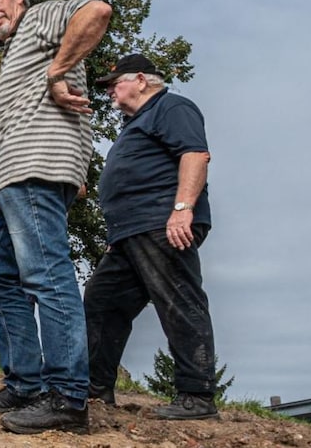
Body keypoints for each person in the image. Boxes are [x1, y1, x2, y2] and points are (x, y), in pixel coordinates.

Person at [0, 0, 112, 434]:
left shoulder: (39, 18)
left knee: (47, 274)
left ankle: (68, 396)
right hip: (10, 180)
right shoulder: (17, 48)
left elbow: (96, 11)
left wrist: (57, 72)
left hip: (33, 170)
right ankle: (26, 384)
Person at [84, 53, 218, 420]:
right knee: (102, 301)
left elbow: (195, 155)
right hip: (130, 233)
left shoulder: (171, 107)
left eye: (115, 84)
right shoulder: (136, 123)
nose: (109, 91)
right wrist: (119, 231)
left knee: (178, 300)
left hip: (162, 222)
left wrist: (182, 209)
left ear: (141, 80)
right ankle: (95, 388)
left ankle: (197, 395)